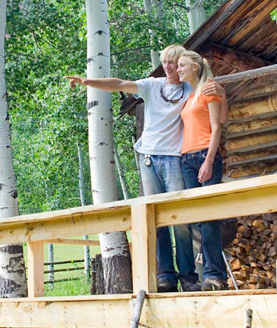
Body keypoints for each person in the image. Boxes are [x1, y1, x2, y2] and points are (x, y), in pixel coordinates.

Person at [66, 44, 200, 292]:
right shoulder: (153, 85)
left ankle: (189, 277)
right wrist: (87, 81)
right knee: (155, 217)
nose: (169, 67)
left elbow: (209, 87)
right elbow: (118, 84)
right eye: (165, 62)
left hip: (174, 159)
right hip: (149, 158)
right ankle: (166, 277)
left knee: (180, 219)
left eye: (173, 62)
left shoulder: (190, 89)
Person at [176, 50, 229, 291]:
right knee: (198, 219)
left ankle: (215, 277)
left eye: (181, 65)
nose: (178, 70)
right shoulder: (189, 97)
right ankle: (203, 275)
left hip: (205, 156)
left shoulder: (209, 89)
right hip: (187, 160)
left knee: (209, 220)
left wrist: (208, 160)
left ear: (194, 68)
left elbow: (218, 126)